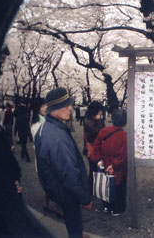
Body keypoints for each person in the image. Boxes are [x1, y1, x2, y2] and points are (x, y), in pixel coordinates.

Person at [34, 88, 91, 238]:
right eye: (64, 106)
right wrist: (85, 198)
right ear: (53, 110)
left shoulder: (46, 127)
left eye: (69, 104)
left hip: (57, 187)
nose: (69, 109)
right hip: (66, 191)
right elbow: (69, 175)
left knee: (71, 218)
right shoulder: (57, 137)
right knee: (74, 218)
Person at [91, 108, 127, 217]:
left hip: (104, 163)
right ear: (125, 121)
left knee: (104, 185)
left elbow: (96, 147)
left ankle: (106, 207)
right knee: (118, 188)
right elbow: (123, 155)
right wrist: (114, 165)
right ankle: (116, 210)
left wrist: (99, 160)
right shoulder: (124, 135)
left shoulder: (104, 131)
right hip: (117, 167)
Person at [83, 101, 105, 195]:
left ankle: (93, 189)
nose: (101, 112)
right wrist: (100, 120)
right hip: (92, 149)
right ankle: (90, 190)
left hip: (96, 148)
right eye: (100, 110)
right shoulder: (89, 121)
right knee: (93, 170)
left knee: (96, 169)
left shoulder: (92, 119)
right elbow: (98, 132)